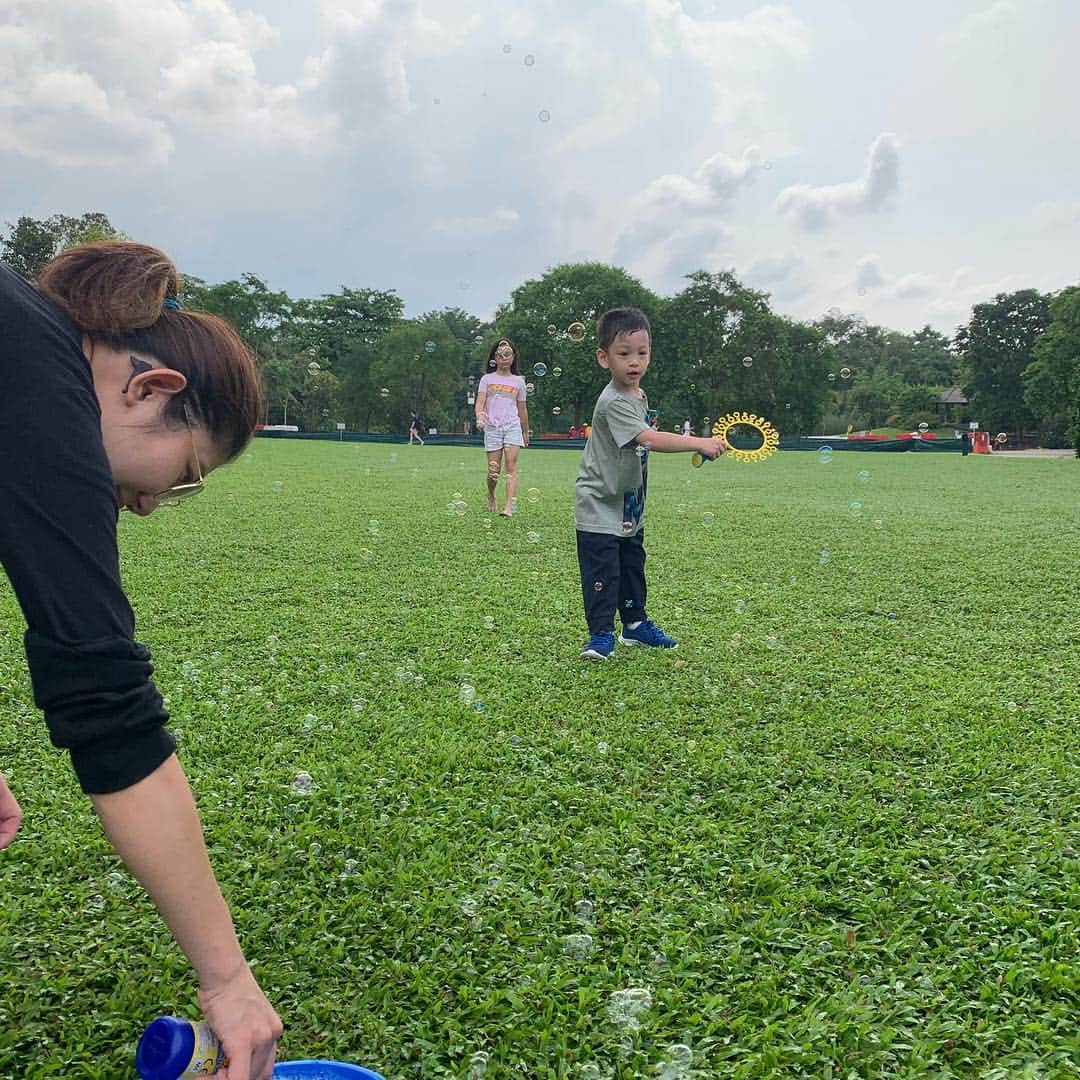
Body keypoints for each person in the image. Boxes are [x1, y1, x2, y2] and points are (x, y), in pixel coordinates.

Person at [0, 241, 282, 1080]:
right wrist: (228, 981)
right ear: (150, 389)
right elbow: (105, 702)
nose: (155, 504)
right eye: (185, 474)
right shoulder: (41, 380)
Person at [575, 307, 725, 660]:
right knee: (603, 571)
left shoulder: (637, 396)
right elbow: (649, 439)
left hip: (628, 500)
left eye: (641, 353)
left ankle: (635, 625)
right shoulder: (613, 401)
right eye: (623, 353)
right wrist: (698, 442)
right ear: (603, 357)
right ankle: (600, 635)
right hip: (599, 500)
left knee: (631, 565)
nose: (634, 362)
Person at [475, 339, 529, 516]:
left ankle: (508, 507)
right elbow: (480, 401)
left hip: (512, 425)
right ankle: (491, 494)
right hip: (492, 426)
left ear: (513, 357)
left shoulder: (519, 381)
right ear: (494, 358)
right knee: (494, 470)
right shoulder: (487, 379)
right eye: (500, 355)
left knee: (511, 465)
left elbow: (522, 408)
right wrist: (480, 416)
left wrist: (525, 431)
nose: (504, 358)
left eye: (508, 354)